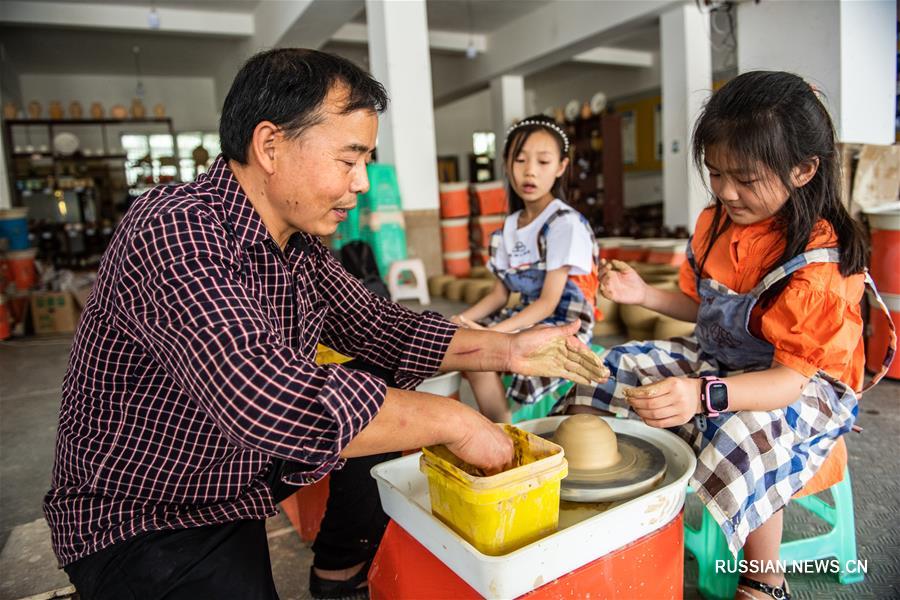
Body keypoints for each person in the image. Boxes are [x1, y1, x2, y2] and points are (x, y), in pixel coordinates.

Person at [44, 49, 608, 600]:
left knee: (384, 379)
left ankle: (339, 572)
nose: (362, 182)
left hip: (231, 487)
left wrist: (507, 351)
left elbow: (383, 329)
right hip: (144, 517)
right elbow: (260, 396)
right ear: (270, 145)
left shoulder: (296, 246)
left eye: (366, 162)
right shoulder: (173, 227)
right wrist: (456, 421)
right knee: (389, 409)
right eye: (348, 159)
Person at [561, 71, 895, 600]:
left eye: (744, 177)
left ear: (804, 170)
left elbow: (785, 381)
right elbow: (704, 309)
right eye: (715, 173)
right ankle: (601, 511)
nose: (725, 190)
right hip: (724, 357)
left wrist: (703, 393)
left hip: (801, 384)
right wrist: (644, 294)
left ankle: (766, 581)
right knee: (608, 369)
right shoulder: (717, 221)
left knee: (744, 430)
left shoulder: (819, 261)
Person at [453, 115, 600, 423]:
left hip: (564, 320)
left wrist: (490, 336)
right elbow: (499, 294)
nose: (530, 171)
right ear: (507, 164)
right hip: (526, 312)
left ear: (561, 167)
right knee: (460, 342)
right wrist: (464, 320)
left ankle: (506, 434)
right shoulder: (507, 228)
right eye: (520, 160)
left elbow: (549, 302)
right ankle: (500, 430)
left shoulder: (564, 223)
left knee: (482, 350)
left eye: (543, 162)